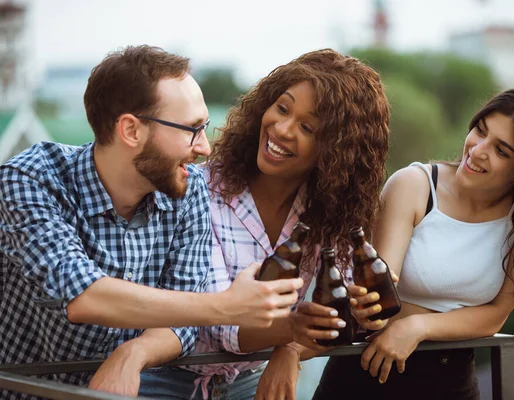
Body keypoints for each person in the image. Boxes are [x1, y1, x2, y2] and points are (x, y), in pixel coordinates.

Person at [0, 45, 303, 400]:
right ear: (131, 131)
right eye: (192, 129)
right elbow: (83, 295)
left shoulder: (188, 191)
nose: (204, 148)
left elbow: (181, 324)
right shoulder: (31, 178)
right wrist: (229, 306)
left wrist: (133, 353)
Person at [131, 49, 391, 400]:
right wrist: (291, 333)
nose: (282, 130)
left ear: (336, 151)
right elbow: (220, 323)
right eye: (282, 108)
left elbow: (335, 320)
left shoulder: (330, 216)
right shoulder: (198, 189)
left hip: (249, 384)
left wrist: (354, 319)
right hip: (164, 379)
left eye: (307, 127)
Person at [312, 86, 514, 400]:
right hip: (368, 373)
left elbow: (494, 316)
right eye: (480, 131)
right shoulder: (413, 186)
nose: (478, 150)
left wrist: (417, 326)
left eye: (502, 150)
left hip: (452, 384)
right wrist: (373, 309)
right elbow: (383, 304)